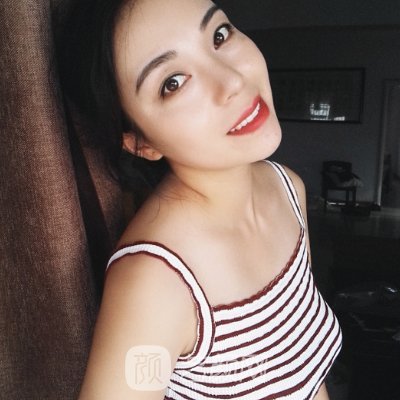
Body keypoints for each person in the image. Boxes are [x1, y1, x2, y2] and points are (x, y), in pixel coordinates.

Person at [59, 0, 342, 398]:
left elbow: (307, 381)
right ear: (140, 143)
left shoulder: (288, 189)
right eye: (173, 82)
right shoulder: (157, 281)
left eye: (219, 36)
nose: (232, 81)